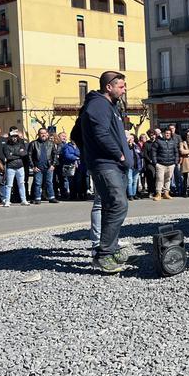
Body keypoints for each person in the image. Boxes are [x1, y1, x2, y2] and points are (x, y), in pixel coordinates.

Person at [78, 71, 132, 273]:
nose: (124, 89)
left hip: (114, 165)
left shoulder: (110, 105)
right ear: (108, 87)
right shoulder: (98, 104)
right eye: (121, 86)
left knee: (112, 207)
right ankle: (103, 255)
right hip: (105, 164)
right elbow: (98, 133)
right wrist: (118, 153)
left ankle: (111, 248)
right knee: (118, 204)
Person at [28, 128, 59, 204]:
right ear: (38, 134)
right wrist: (33, 166)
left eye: (44, 133)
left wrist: (53, 165)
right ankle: (37, 198)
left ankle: (51, 197)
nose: (43, 135)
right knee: (38, 183)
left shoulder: (51, 143)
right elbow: (29, 156)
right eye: (41, 133)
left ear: (47, 134)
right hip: (38, 167)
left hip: (48, 167)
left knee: (49, 182)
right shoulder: (33, 143)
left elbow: (55, 154)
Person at [1, 127, 30, 207]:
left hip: (20, 166)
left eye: (16, 136)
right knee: (9, 185)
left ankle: (24, 200)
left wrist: (13, 154)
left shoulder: (21, 144)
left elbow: (24, 153)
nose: (14, 138)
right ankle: (7, 201)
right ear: (10, 137)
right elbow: (8, 156)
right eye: (13, 136)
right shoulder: (6, 146)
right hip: (10, 167)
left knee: (21, 184)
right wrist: (18, 154)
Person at [151, 128, 178, 200]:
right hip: (160, 164)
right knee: (160, 179)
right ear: (163, 134)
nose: (167, 134)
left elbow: (176, 152)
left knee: (168, 179)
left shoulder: (173, 142)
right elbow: (153, 152)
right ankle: (158, 194)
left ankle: (166, 193)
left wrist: (175, 162)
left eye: (169, 133)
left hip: (171, 164)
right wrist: (155, 162)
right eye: (166, 133)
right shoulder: (158, 141)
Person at [126, 133, 142, 201]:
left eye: (132, 138)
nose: (131, 140)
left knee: (135, 181)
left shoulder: (136, 146)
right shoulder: (126, 146)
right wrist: (128, 144)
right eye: (130, 138)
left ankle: (134, 194)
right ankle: (130, 195)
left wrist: (138, 150)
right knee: (130, 180)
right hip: (129, 166)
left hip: (137, 166)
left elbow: (141, 154)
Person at [142, 129, 157, 198]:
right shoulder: (146, 144)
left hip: (158, 162)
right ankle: (151, 191)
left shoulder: (157, 142)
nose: (152, 136)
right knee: (151, 176)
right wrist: (150, 160)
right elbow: (145, 154)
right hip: (150, 163)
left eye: (153, 135)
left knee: (157, 177)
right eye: (151, 135)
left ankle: (157, 191)